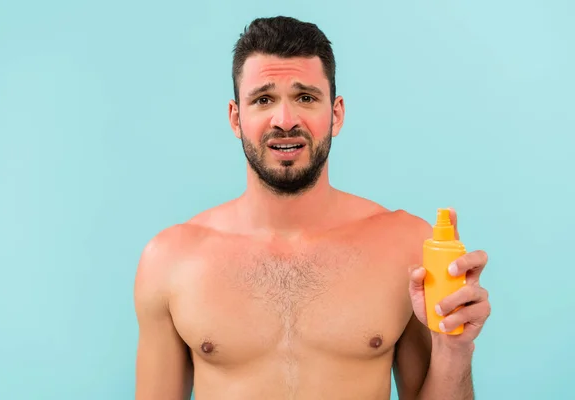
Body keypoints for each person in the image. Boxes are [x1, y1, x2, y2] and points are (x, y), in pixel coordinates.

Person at [133, 16, 491, 400]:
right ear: (236, 118)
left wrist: (454, 350)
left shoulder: (406, 246)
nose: (285, 121)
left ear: (335, 114)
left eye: (305, 97)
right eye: (263, 99)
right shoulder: (171, 260)